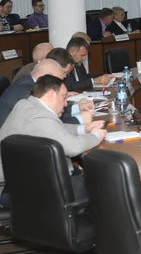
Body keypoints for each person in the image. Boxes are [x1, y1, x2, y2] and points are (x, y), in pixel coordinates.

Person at [0, 75, 106, 206]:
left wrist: (84, 129)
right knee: (101, 187)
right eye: (64, 97)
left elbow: (54, 128)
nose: (66, 103)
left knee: (87, 179)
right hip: (20, 192)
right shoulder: (40, 115)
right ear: (51, 95)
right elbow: (73, 147)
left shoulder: (25, 105)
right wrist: (96, 136)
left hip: (21, 182)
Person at [0, 58, 92, 129]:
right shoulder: (29, 92)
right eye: (58, 81)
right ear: (48, 77)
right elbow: (50, 124)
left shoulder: (29, 81)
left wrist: (77, 108)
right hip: (11, 143)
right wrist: (79, 120)